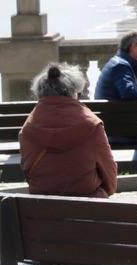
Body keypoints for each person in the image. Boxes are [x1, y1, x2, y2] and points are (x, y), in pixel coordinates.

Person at [18, 63, 118, 198]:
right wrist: (104, 192)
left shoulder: (27, 129)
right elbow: (109, 172)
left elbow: (28, 172)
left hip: (42, 208)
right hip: (89, 207)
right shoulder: (91, 125)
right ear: (73, 91)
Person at [94, 31, 137, 162]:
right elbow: (128, 92)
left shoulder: (119, 63)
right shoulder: (120, 66)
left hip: (115, 126)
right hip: (120, 130)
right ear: (133, 47)